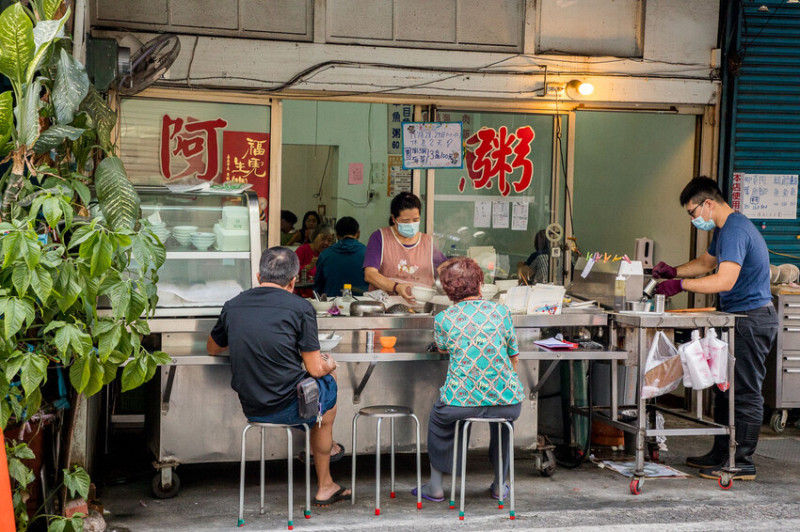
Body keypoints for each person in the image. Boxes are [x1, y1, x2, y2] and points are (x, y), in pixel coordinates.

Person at [653, 176, 778, 481]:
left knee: (745, 391)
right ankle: (722, 452)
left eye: (692, 213)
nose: (694, 219)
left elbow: (724, 280)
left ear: (708, 204)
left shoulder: (735, 229)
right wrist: (674, 271)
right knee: (725, 389)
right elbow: (706, 263)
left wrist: (679, 285)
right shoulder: (725, 230)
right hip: (735, 317)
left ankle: (742, 461)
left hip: (751, 318)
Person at [206, 247, 351, 505]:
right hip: (289, 408)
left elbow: (213, 347)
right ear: (294, 281)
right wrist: (330, 365)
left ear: (259, 275)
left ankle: (317, 440)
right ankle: (325, 482)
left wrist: (248, 337)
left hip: (252, 408)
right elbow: (315, 368)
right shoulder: (300, 308)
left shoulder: (234, 305)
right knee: (328, 386)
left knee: (315, 398)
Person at [411, 257, 524, 502]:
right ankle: (498, 485)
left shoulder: (444, 319)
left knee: (440, 422)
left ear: (449, 291)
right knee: (503, 423)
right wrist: (504, 385)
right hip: (508, 400)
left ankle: (437, 487)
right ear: (480, 284)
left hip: (460, 402)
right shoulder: (501, 312)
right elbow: (513, 354)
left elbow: (443, 348)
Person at [363, 192, 447, 304]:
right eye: (405, 221)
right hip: (386, 306)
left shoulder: (428, 242)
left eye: (416, 220)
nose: (411, 224)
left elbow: (444, 268)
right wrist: (396, 287)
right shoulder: (380, 238)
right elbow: (370, 274)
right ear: (394, 219)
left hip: (421, 308)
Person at [314, 216, 368, 297]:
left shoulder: (324, 255)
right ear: (358, 234)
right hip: (361, 305)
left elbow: (318, 288)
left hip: (332, 305)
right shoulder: (368, 253)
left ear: (337, 235)